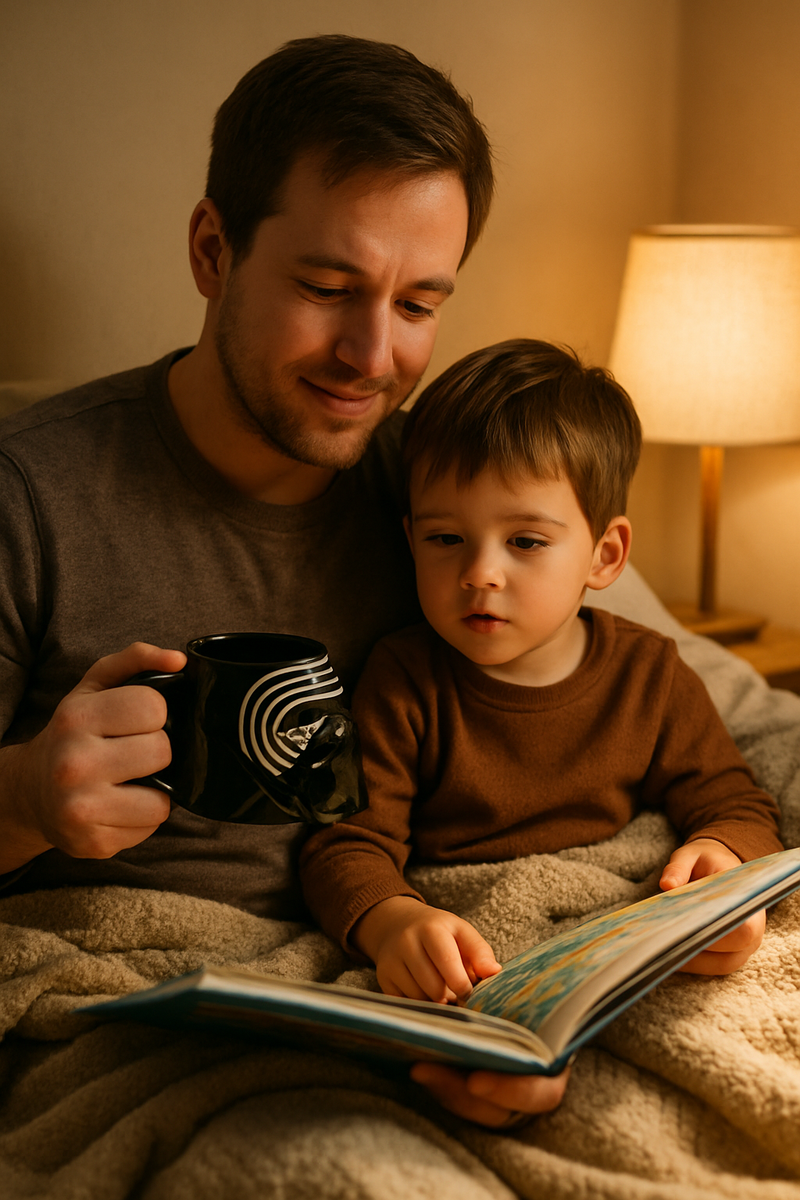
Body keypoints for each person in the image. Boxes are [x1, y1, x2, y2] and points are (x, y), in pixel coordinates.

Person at [0, 34, 567, 1126]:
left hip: (407, 988)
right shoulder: (32, 498)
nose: (371, 356)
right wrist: (24, 798)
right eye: (325, 286)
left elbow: (672, 689)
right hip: (142, 1019)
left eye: (417, 306)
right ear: (213, 251)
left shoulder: (442, 502)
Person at [300, 338, 783, 1008]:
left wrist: (721, 865)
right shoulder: (406, 679)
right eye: (446, 540)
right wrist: (394, 923)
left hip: (617, 936)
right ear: (411, 540)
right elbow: (346, 847)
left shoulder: (651, 674)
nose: (480, 573)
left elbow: (735, 803)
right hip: (476, 952)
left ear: (604, 556)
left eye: (525, 542)